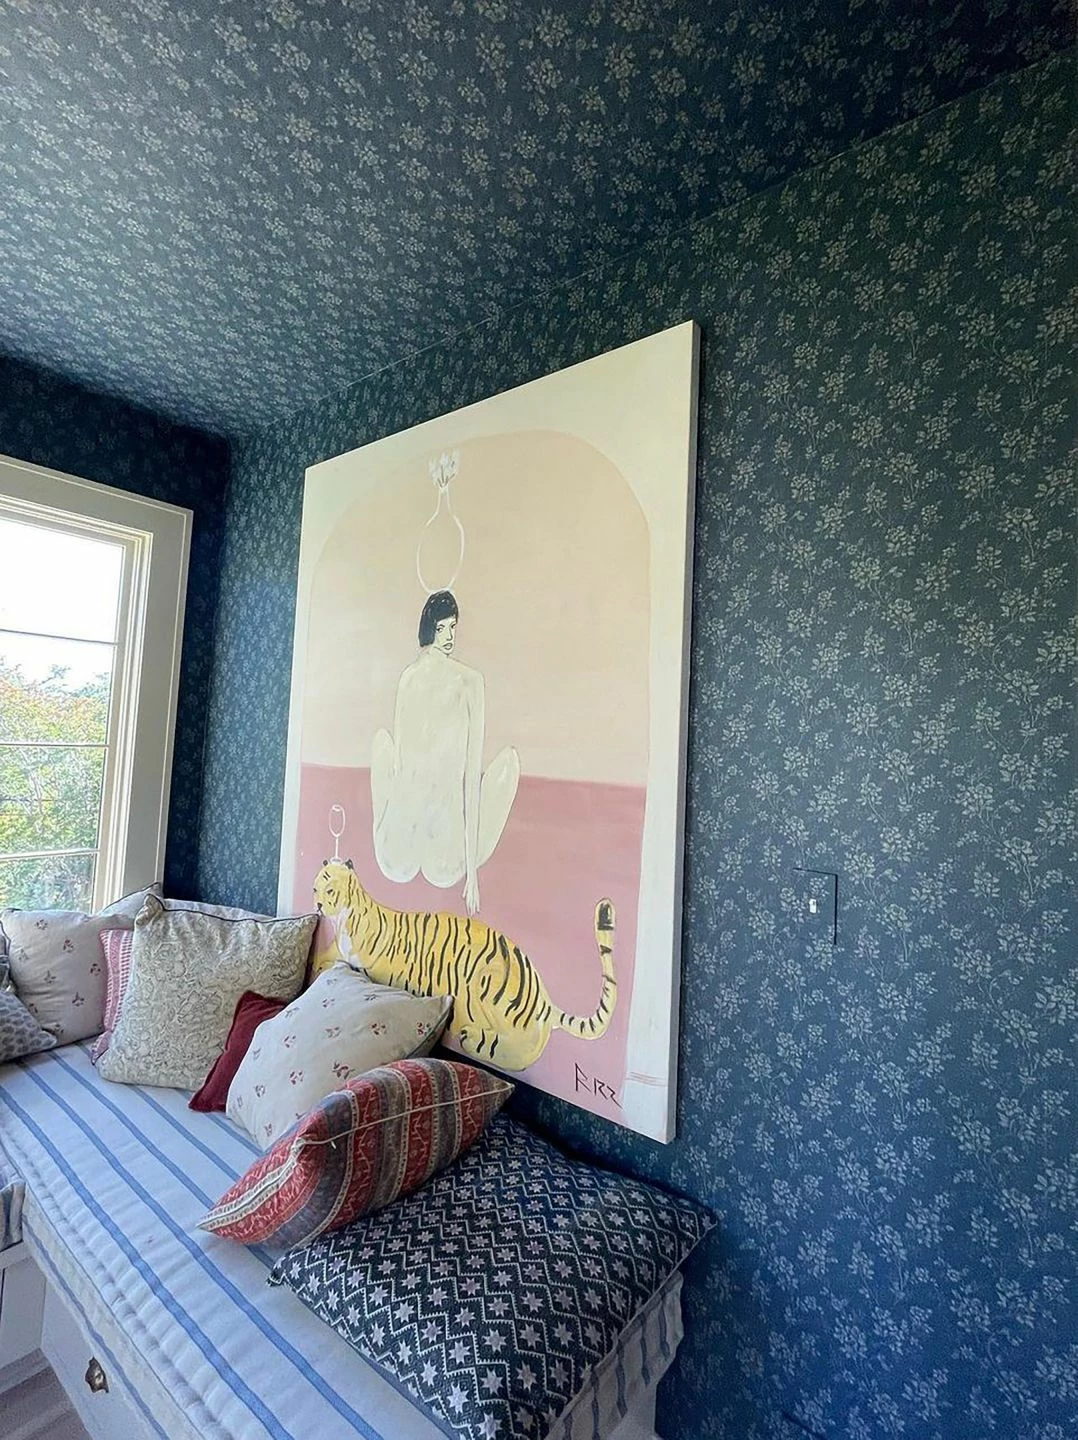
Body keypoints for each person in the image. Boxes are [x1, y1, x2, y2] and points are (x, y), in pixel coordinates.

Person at [371, 591, 519, 914]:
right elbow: (466, 777)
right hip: (428, 855)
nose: (449, 636)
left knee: (382, 743)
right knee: (509, 763)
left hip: (405, 854)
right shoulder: (466, 682)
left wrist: (473, 877)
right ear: (429, 629)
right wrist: (472, 871)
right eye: (442, 628)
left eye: (453, 627)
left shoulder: (417, 679)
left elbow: (406, 768)